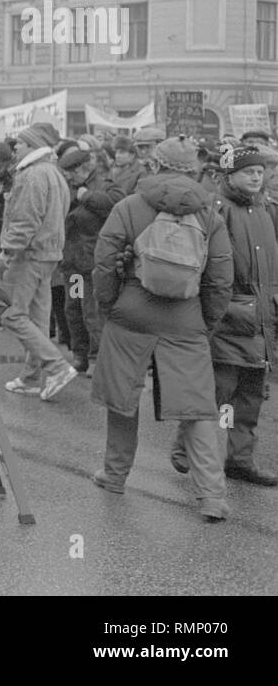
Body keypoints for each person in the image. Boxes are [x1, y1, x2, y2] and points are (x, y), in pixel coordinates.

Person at [90, 136, 233, 521]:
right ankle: (211, 497)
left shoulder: (129, 205)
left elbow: (103, 264)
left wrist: (111, 306)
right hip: (186, 319)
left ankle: (115, 475)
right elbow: (220, 280)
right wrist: (205, 322)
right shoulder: (209, 214)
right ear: (197, 169)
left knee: (123, 396)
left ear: (155, 164)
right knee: (199, 407)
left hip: (131, 314)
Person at [168, 144, 278, 487]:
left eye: (260, 172)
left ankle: (240, 459)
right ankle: (184, 448)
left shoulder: (265, 210)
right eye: (249, 172)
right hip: (228, 315)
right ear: (229, 176)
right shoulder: (216, 209)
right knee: (217, 391)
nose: (257, 177)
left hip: (260, 317)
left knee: (249, 396)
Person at [0, 122, 79, 401]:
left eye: (19, 143)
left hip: (29, 255)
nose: (15, 147)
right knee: (38, 319)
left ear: (32, 146)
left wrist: (8, 252)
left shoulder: (32, 175)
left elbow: (24, 220)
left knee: (13, 315)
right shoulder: (54, 173)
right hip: (49, 254)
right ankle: (32, 377)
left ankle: (56, 367)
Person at [58, 147, 124, 375]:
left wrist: (87, 196)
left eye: (71, 171)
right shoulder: (68, 188)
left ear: (85, 168)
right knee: (74, 309)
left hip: (92, 264)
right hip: (73, 264)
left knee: (92, 312)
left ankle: (97, 358)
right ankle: (80, 354)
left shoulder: (104, 185)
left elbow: (116, 203)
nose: (67, 176)